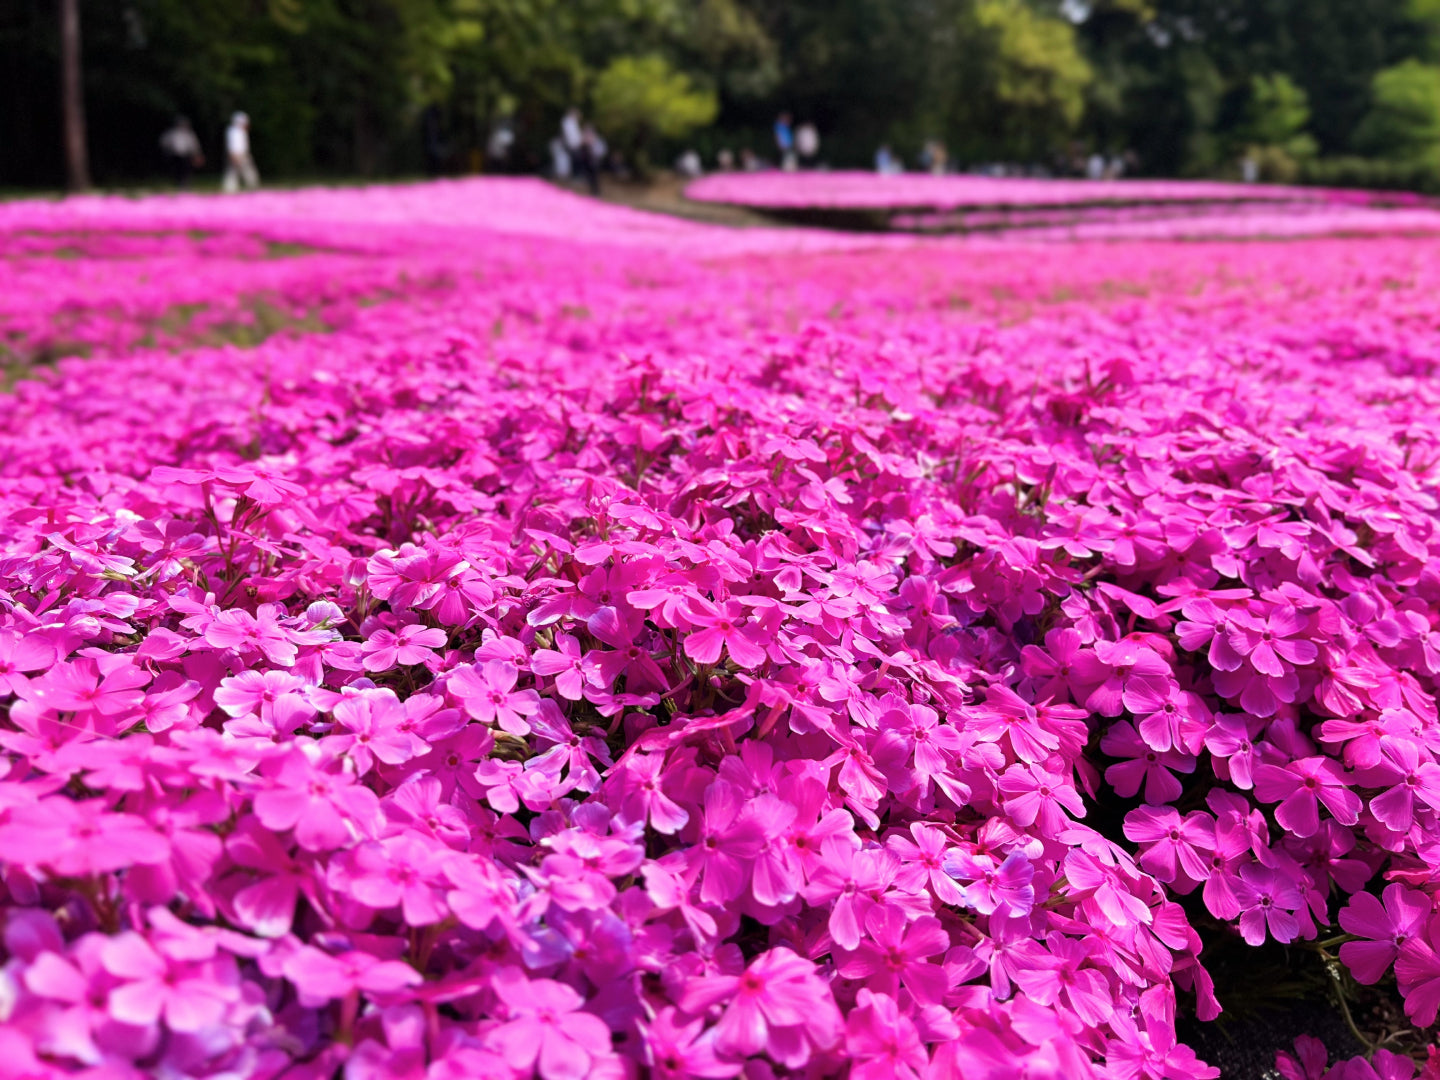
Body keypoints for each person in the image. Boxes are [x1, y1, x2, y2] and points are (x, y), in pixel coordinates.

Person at [159, 116, 203, 189]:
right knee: (176, 170)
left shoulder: (189, 134)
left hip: (186, 155)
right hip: (174, 155)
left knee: (186, 170)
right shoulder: (171, 133)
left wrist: (197, 154)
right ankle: (178, 182)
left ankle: (184, 183)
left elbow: (194, 145)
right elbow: (163, 142)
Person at [421, 104, 446, 178]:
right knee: (431, 158)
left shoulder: (437, 125)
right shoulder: (428, 125)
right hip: (430, 144)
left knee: (436, 158)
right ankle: (432, 172)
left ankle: (436, 172)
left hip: (435, 144)